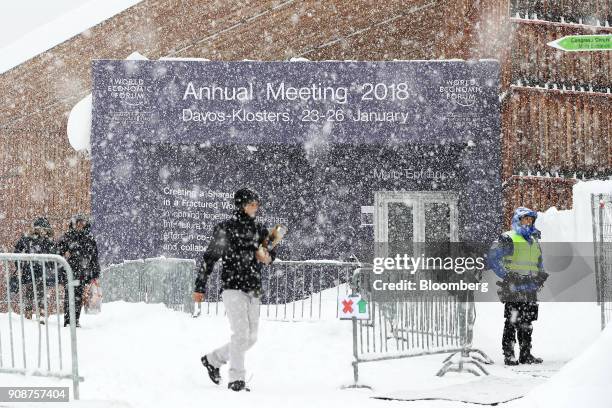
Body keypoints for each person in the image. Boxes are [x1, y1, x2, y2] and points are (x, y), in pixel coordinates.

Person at [193, 188, 276, 392]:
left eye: (257, 204)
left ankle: (213, 360)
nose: (256, 208)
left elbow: (270, 253)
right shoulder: (225, 228)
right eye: (252, 204)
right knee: (240, 334)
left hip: (254, 287)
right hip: (232, 287)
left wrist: (267, 258)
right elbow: (210, 258)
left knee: (251, 337)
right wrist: (200, 286)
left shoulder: (260, 229)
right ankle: (236, 380)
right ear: (241, 205)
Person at [488, 207, 548, 366]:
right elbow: (493, 259)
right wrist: (507, 275)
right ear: (517, 220)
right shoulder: (509, 238)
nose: (528, 222)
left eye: (531, 219)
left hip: (530, 287)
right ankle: (509, 355)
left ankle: (525, 354)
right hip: (514, 287)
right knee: (512, 320)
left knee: (527, 321)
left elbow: (538, 261)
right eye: (525, 219)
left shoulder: (534, 240)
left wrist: (541, 274)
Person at [56, 214, 101, 328]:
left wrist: (95, 273)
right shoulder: (66, 237)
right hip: (69, 272)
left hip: (83, 273)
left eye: (82, 223)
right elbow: (57, 255)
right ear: (73, 224)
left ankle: (75, 320)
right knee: (69, 296)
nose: (80, 225)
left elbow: (94, 257)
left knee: (79, 296)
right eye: (78, 222)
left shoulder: (89, 238)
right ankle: (68, 321)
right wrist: (64, 255)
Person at [13, 217, 56, 322]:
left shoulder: (48, 240)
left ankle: (40, 315)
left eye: (44, 229)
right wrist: (19, 265)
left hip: (42, 271)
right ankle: (29, 314)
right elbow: (17, 249)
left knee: (40, 293)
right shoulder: (28, 239)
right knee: (30, 292)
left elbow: (54, 253)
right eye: (40, 229)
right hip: (30, 270)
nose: (42, 231)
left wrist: (51, 267)